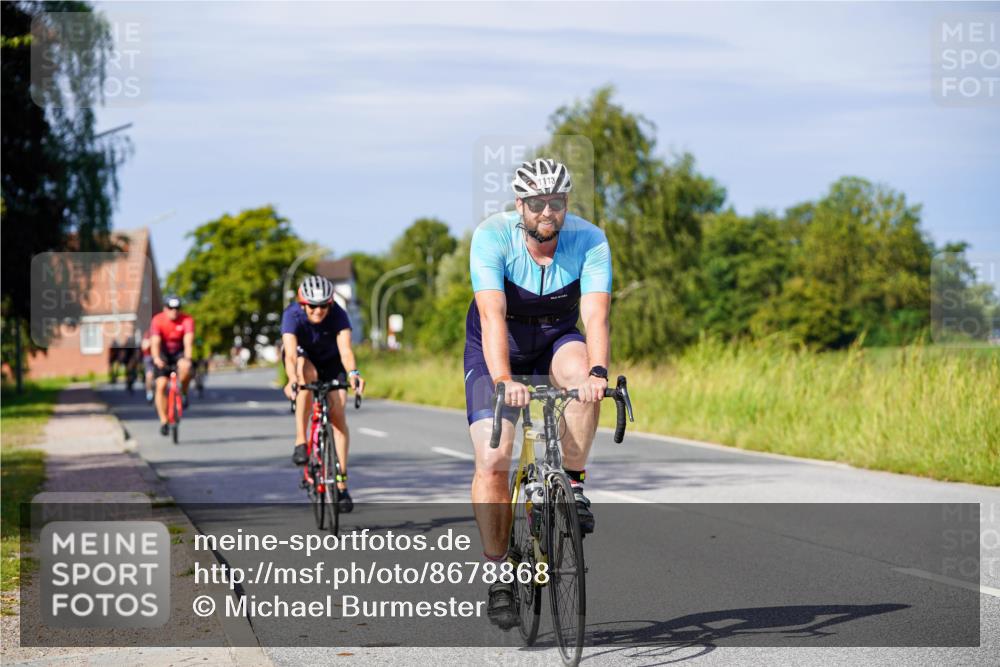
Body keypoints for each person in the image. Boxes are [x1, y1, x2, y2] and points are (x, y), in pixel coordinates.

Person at [465, 158, 612, 629]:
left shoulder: (589, 240)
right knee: (494, 459)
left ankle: (572, 482)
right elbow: (491, 315)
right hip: (496, 348)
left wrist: (598, 372)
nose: (548, 211)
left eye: (557, 202)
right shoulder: (493, 236)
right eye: (537, 203)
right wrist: (505, 380)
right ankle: (499, 573)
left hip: (554, 340)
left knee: (584, 384)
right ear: (520, 204)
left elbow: (595, 317)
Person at [281, 276, 365, 512]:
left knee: (338, 417)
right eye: (312, 306)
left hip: (332, 362)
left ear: (330, 303)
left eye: (324, 306)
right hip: (302, 360)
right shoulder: (292, 315)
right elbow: (289, 354)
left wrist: (353, 374)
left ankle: (341, 484)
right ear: (302, 304)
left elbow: (346, 351)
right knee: (303, 370)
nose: (318, 311)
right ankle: (301, 440)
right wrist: (291, 381)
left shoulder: (338, 314)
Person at [150, 296, 195, 436]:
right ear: (165, 308)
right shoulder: (158, 320)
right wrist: (156, 358)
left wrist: (187, 359)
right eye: (170, 308)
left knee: (186, 368)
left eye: (177, 308)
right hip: (163, 354)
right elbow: (155, 342)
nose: (174, 311)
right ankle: (164, 421)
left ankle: (184, 392)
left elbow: (188, 342)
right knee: (161, 385)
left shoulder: (187, 320)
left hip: (179, 353)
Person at [140, 331, 155, 403]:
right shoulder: (148, 334)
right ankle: (149, 393)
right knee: (149, 375)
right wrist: (152, 342)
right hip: (149, 357)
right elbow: (144, 346)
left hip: (159, 356)